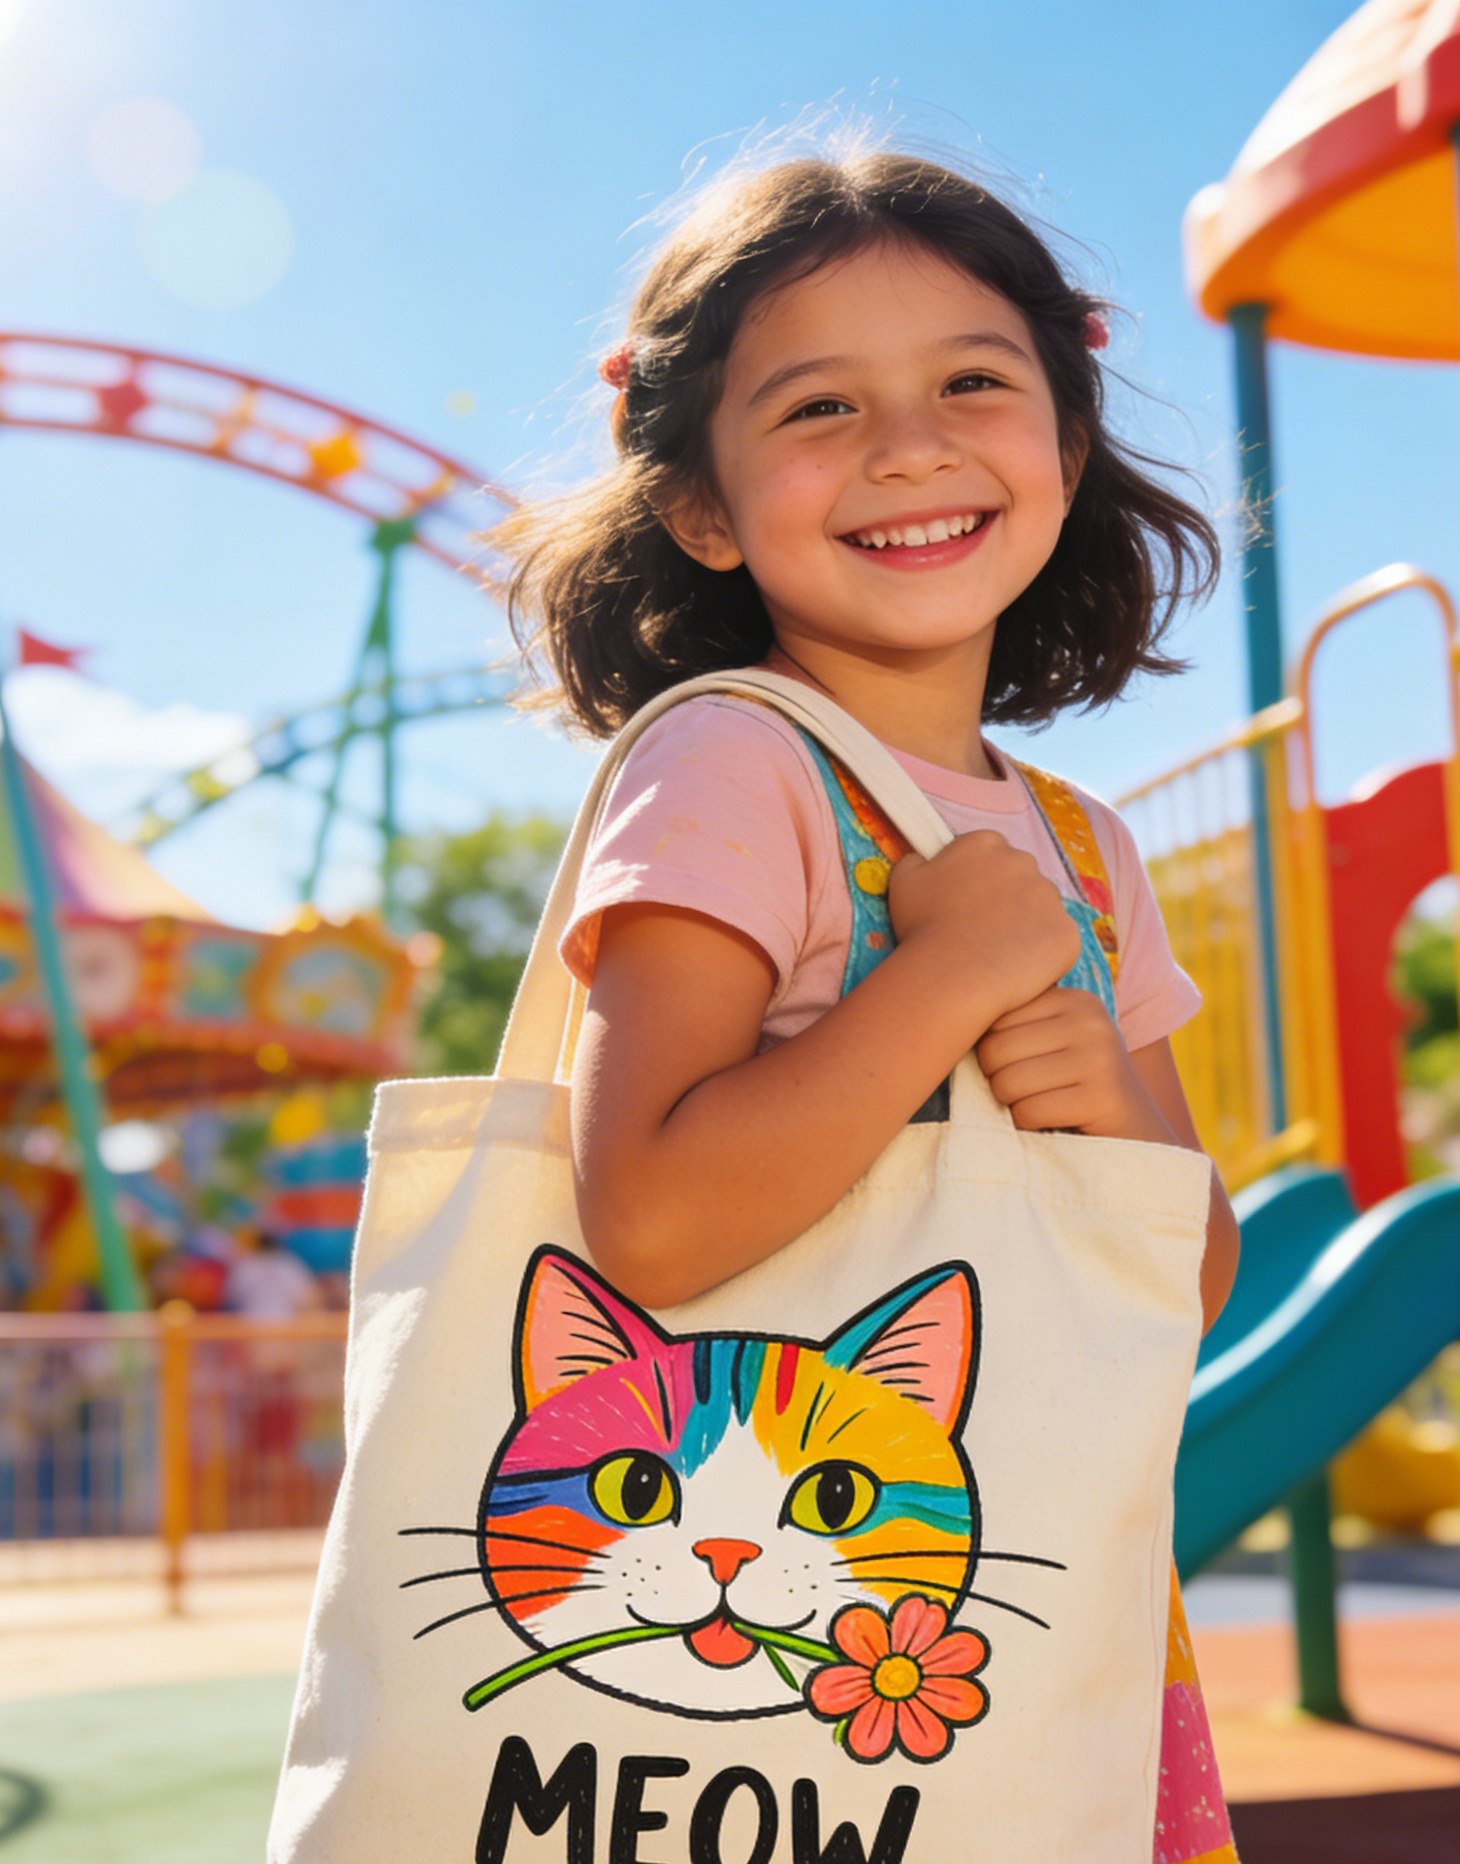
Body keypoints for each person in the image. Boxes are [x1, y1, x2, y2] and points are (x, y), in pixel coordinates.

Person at [496, 146, 1240, 1859]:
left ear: (1063, 434)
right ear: (700, 505)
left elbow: (1181, 1272)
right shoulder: (723, 760)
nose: (910, 447)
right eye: (819, 406)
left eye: (974, 383)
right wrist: (953, 982)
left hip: (1014, 1606)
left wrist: (1107, 1109)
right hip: (747, 1642)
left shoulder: (1078, 841)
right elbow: (657, 1226)